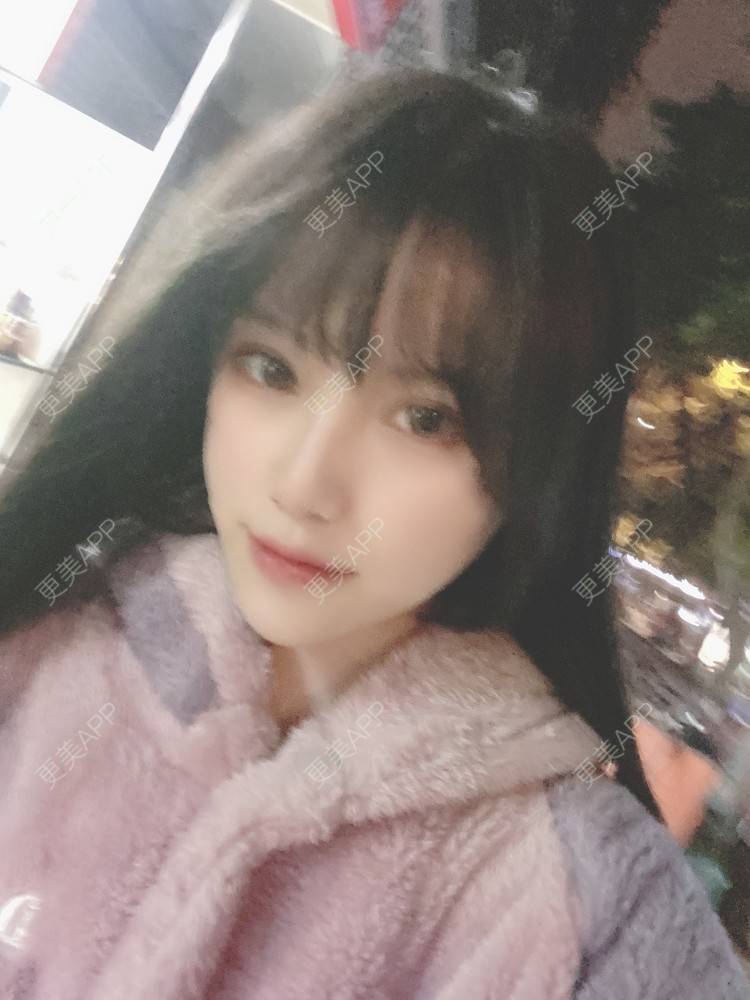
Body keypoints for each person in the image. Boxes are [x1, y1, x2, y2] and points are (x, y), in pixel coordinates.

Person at [0, 67, 747, 1000]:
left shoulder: (580, 913)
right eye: (271, 368)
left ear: (537, 469)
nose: (304, 485)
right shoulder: (45, 646)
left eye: (425, 418)